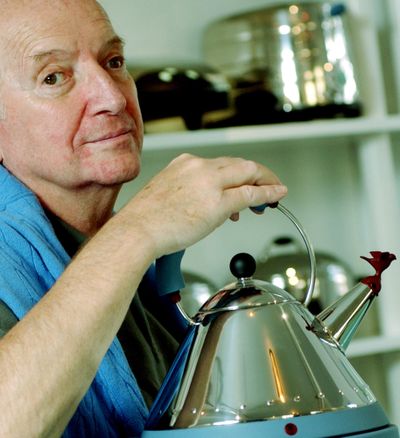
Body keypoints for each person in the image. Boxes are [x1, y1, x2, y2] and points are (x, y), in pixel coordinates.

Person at [0, 0, 288, 436]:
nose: (113, 97)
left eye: (114, 61)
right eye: (54, 77)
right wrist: (137, 229)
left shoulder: (130, 269)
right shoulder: (129, 239)